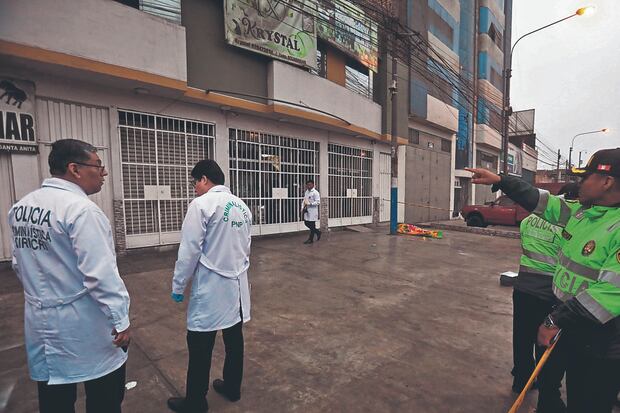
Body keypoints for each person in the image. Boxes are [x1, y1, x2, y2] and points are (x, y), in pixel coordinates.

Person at [467, 148, 620, 413]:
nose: (580, 183)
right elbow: (542, 201)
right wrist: (502, 181)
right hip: (575, 327)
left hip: (602, 342)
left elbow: (610, 294)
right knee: (572, 395)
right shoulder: (583, 213)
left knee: (589, 404)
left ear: (606, 182)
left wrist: (555, 320)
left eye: (586, 177)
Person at [8, 139, 131, 413]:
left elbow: (19, 264)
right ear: (74, 169)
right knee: (105, 398)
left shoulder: (21, 208)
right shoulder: (82, 211)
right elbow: (101, 275)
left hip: (40, 321)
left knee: (55, 401)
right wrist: (120, 319)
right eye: (98, 165)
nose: (104, 172)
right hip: (84, 324)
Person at [167, 160, 252, 413]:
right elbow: (246, 246)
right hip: (237, 285)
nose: (194, 188)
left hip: (212, 287)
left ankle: (195, 401)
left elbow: (189, 251)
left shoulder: (202, 204)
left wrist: (178, 285)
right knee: (234, 340)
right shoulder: (242, 206)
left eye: (195, 182)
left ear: (204, 179)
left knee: (200, 344)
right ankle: (232, 387)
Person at [511, 182, 579, 413]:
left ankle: (520, 380)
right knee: (546, 342)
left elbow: (525, 244)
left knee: (522, 336)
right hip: (550, 289)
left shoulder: (529, 220)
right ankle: (546, 390)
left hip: (523, 285)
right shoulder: (569, 224)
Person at [302, 179, 321, 244]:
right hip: (307, 210)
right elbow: (304, 200)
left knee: (312, 225)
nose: (308, 186)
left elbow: (318, 202)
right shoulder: (307, 192)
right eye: (307, 185)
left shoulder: (315, 192)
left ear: (313, 185)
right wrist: (302, 207)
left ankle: (311, 239)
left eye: (310, 185)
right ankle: (317, 232)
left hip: (313, 211)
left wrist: (311, 204)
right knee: (306, 223)